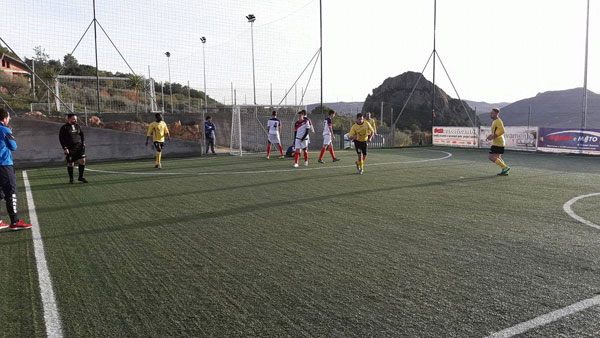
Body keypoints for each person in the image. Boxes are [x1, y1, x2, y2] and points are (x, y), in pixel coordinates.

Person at [0, 108, 32, 231]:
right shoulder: (4, 129)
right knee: (11, 192)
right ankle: (15, 221)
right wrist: (9, 133)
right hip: (4, 165)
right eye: (8, 117)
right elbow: (13, 146)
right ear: (4, 118)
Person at [59, 113, 88, 184]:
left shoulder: (78, 126)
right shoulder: (64, 128)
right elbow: (61, 139)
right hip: (70, 148)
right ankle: (71, 179)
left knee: (83, 160)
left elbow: (82, 134)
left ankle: (80, 177)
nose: (75, 120)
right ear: (69, 119)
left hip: (79, 146)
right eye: (74, 119)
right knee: (70, 163)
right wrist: (65, 148)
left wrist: (83, 143)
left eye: (76, 119)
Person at [487, 108, 510, 176]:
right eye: (491, 113)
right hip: (498, 142)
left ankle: (505, 167)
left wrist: (493, 136)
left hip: (498, 143)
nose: (491, 114)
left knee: (491, 157)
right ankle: (505, 171)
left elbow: (502, 131)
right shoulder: (495, 121)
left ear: (496, 114)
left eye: (492, 113)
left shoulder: (498, 121)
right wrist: (491, 136)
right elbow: (496, 132)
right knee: (497, 157)